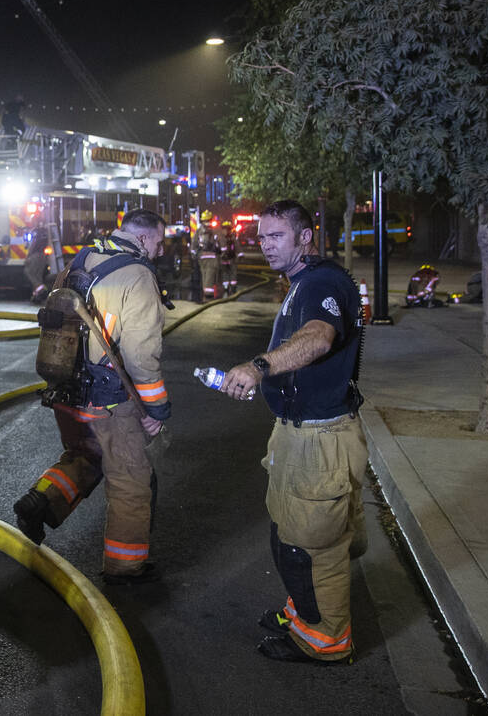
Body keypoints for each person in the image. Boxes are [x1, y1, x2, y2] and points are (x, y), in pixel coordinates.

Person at [220, 199, 365, 665]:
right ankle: (303, 613)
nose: (265, 245)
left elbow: (319, 338)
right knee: (289, 532)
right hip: (298, 434)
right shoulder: (301, 281)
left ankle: (326, 640)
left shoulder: (322, 281)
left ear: (305, 236)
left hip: (320, 439)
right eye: (262, 236)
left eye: (276, 235)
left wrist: (260, 366)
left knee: (313, 545)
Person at [13, 209, 173, 586]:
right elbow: (140, 356)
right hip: (109, 401)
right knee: (130, 479)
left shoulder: (80, 260)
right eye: (160, 241)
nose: (161, 250)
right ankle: (125, 567)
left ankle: (41, 499)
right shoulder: (138, 275)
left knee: (86, 456)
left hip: (66, 393)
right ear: (146, 238)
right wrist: (156, 408)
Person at [194, 211, 220, 300]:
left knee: (204, 275)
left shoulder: (199, 230)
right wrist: (222, 252)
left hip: (202, 257)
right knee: (210, 276)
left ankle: (205, 293)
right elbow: (222, 243)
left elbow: (194, 244)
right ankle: (208, 296)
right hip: (212, 257)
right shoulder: (216, 229)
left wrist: (194, 255)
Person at [23, 224, 49, 303]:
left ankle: (40, 287)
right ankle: (37, 295)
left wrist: (28, 257)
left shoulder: (35, 232)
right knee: (38, 275)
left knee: (29, 272)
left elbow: (33, 245)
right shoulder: (44, 232)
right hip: (43, 256)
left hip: (35, 255)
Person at [218, 221, 238, 296]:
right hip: (229, 258)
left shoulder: (221, 237)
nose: (226, 231)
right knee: (229, 272)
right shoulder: (232, 237)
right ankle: (231, 286)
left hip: (227, 258)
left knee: (226, 272)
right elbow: (237, 246)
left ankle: (228, 286)